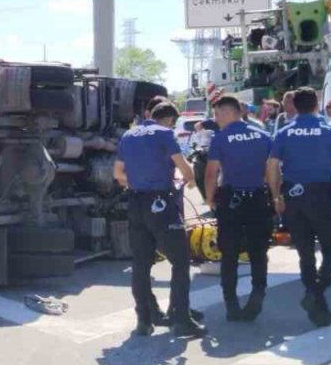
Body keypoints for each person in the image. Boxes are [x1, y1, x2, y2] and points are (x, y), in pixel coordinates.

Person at [113, 102, 206, 339]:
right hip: (161, 203)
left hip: (135, 202)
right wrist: (190, 181)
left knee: (141, 263)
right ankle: (181, 319)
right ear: (170, 120)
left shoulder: (129, 135)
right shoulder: (165, 133)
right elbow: (185, 169)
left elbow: (118, 174)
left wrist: (137, 183)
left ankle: (144, 320)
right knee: (180, 260)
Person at [267, 87, 331, 327]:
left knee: (305, 252)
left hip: (294, 196)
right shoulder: (329, 131)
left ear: (294, 106)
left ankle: (315, 300)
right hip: (322, 196)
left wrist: (276, 196)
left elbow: (272, 167)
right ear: (316, 104)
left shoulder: (284, 132)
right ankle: (316, 292)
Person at [204, 95, 273, 321]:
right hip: (257, 199)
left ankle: (231, 305)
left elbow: (211, 173)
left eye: (217, 114)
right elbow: (272, 170)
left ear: (228, 113)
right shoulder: (263, 135)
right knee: (258, 251)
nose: (216, 119)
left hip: (231, 200)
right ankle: (257, 296)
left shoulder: (220, 138)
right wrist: (275, 196)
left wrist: (210, 198)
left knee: (229, 253)